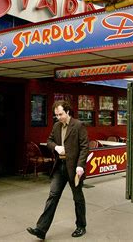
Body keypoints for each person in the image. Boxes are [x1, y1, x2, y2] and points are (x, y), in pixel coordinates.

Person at [27, 100, 89, 239]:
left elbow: (85, 147)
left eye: (60, 114)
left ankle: (81, 226)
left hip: (74, 169)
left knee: (77, 198)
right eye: (56, 115)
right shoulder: (56, 126)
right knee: (53, 196)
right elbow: (49, 141)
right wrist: (55, 147)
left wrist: (80, 165)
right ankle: (41, 229)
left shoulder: (78, 125)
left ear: (67, 112)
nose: (58, 117)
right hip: (59, 167)